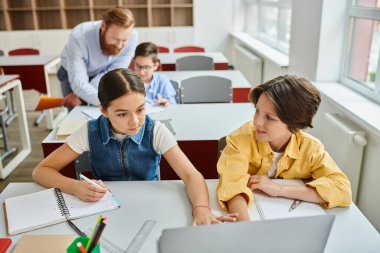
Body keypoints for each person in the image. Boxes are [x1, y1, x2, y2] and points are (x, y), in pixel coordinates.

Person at [33, 68, 237, 226]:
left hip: (150, 207)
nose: (135, 121)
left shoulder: (155, 130)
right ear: (103, 110)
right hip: (104, 211)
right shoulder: (89, 131)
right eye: (122, 114)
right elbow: (41, 171)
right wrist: (75, 186)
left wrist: (201, 208)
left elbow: (192, 176)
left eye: (140, 109)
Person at [216, 75, 352, 221]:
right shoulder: (240, 140)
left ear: (295, 123)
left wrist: (279, 190)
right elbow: (232, 187)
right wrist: (247, 228)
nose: (257, 121)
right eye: (257, 110)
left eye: (269, 117)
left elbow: (342, 189)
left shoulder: (311, 148)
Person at [58, 6, 138, 108]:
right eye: (115, 39)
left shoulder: (132, 37)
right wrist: (108, 103)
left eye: (124, 40)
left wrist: (88, 96)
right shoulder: (79, 36)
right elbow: (78, 82)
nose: (119, 45)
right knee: (77, 112)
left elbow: (112, 72)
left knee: (101, 113)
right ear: (103, 26)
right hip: (72, 72)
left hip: (103, 72)